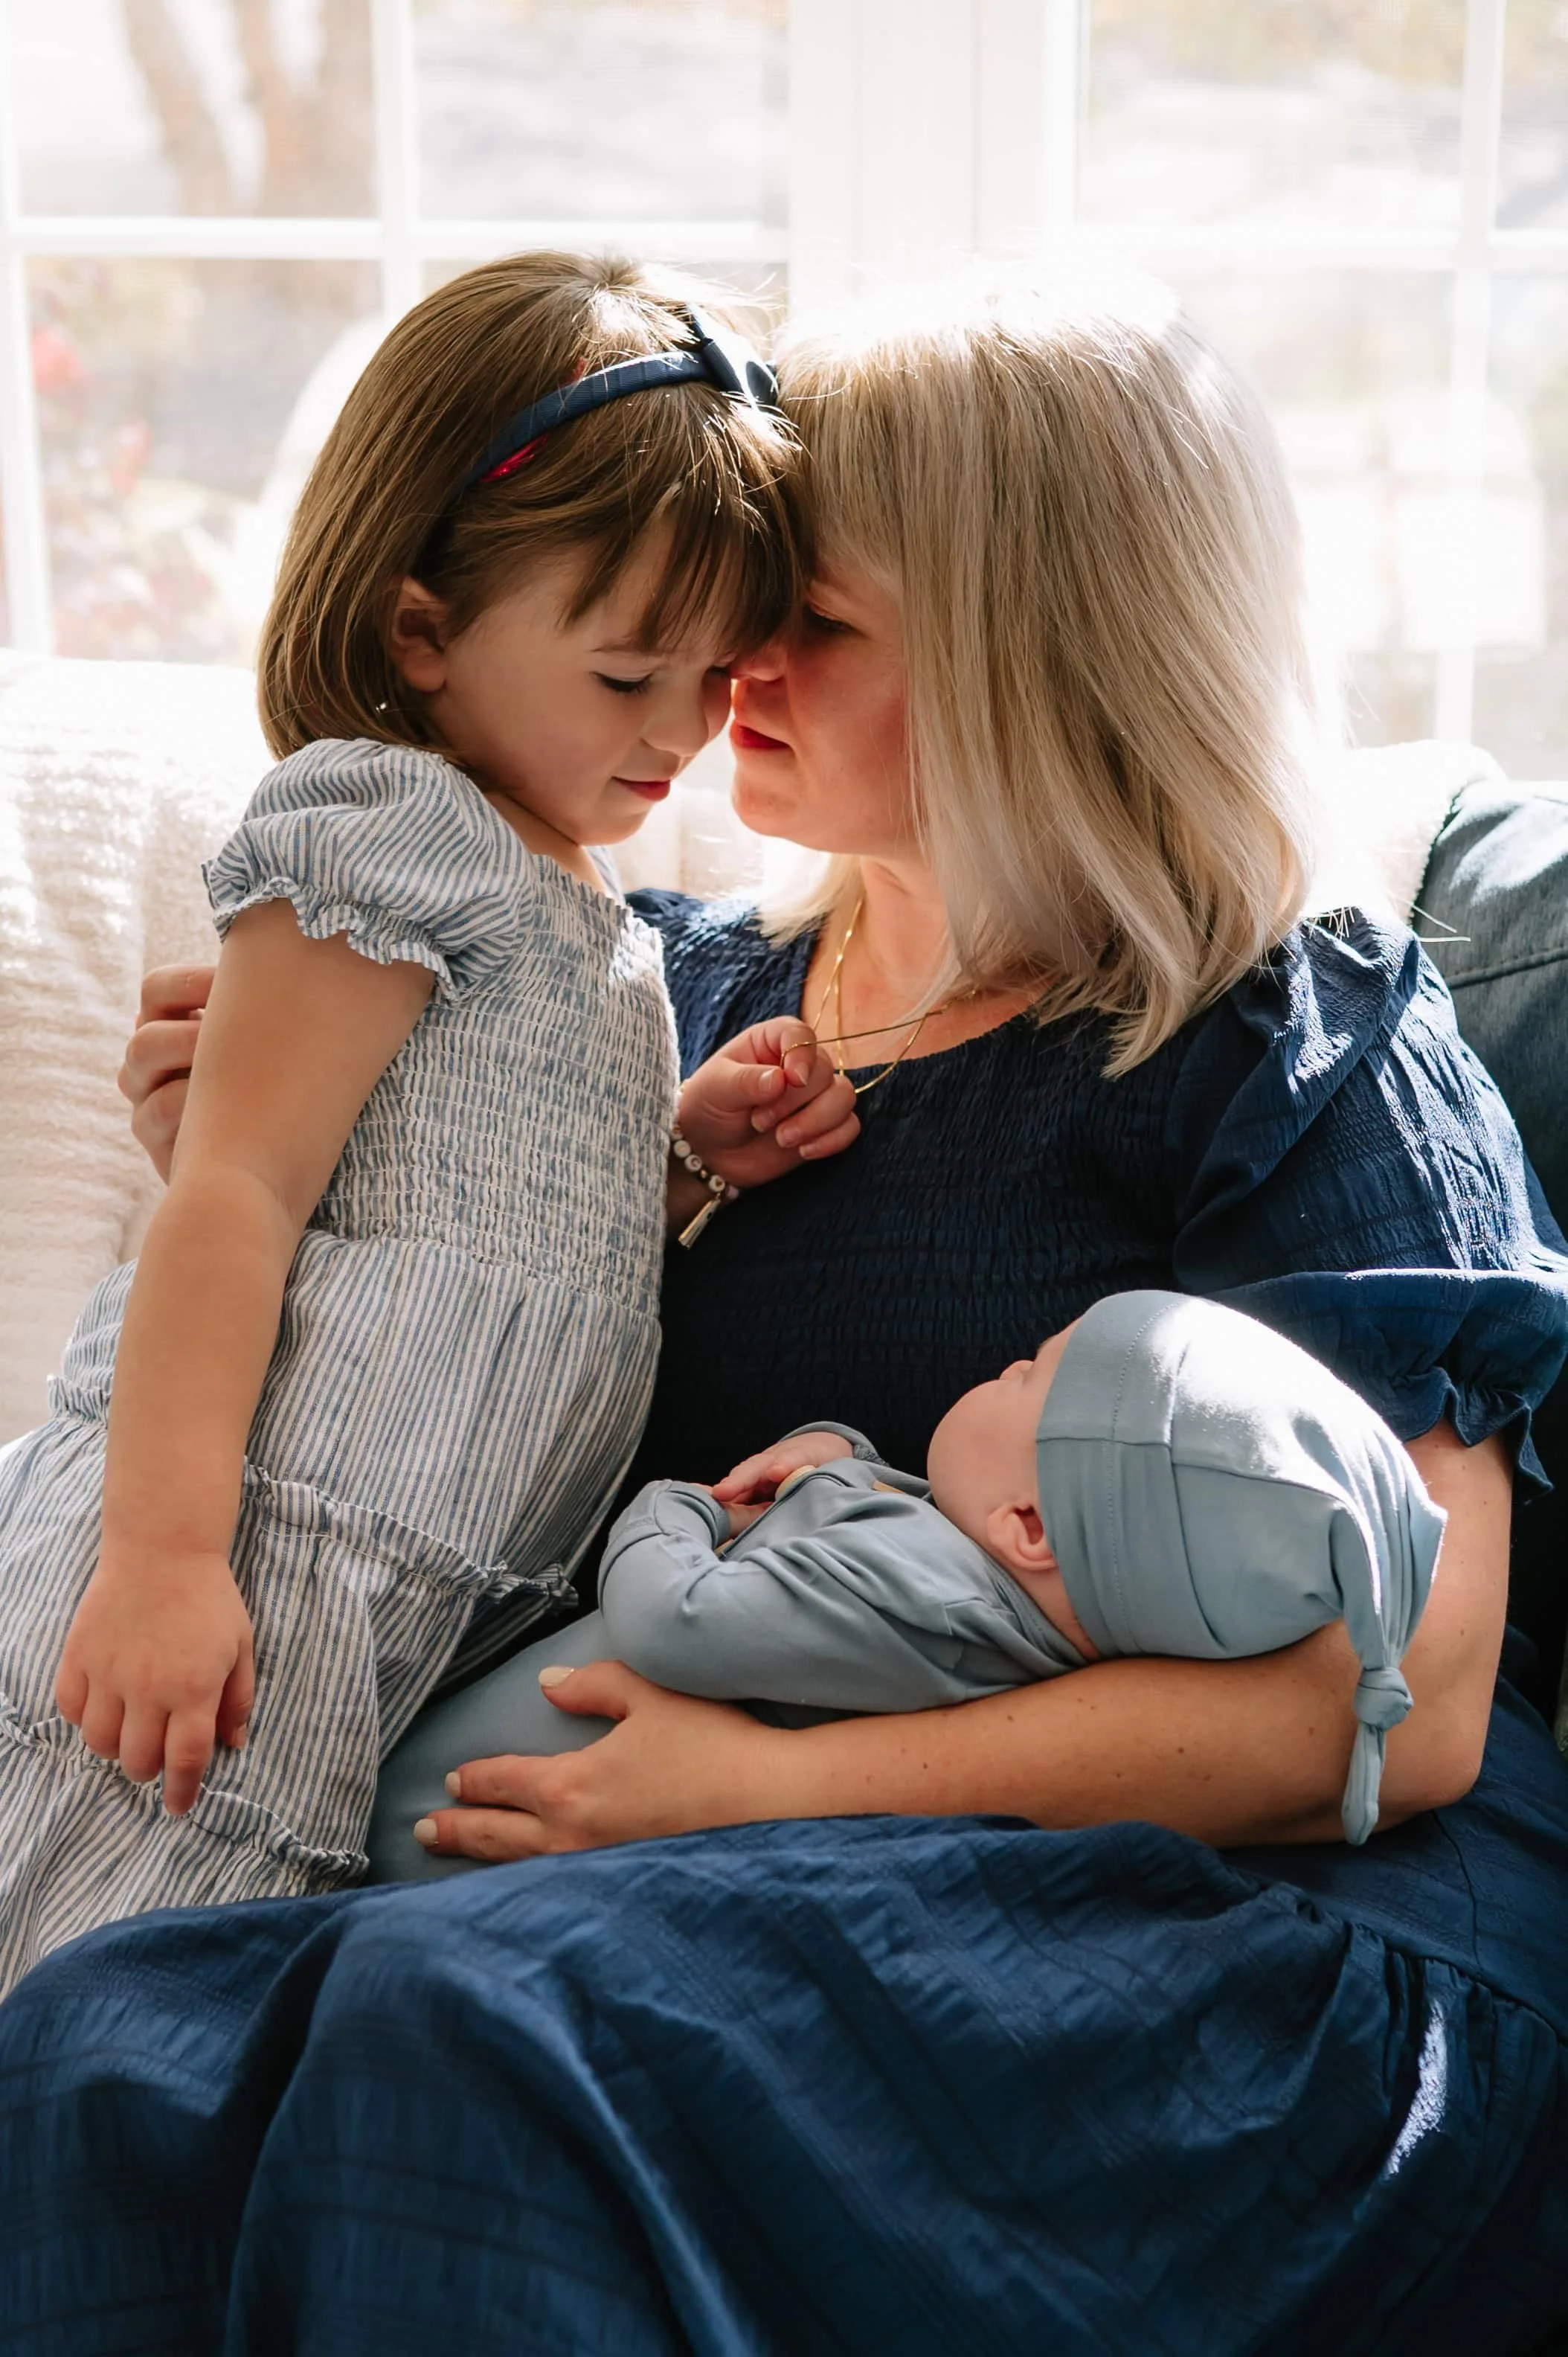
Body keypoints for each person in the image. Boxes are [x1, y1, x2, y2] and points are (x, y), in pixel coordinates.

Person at [10, 270, 1568, 2354]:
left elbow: (1402, 1705)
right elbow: (399, 1343)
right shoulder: (645, 995)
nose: (729, 666)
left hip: (1237, 1911)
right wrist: (253, 1141)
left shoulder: (1281, 1034)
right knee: (98, 2047)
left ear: (1031, 652)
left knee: (454, 2023)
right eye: (722, 606)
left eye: (807, 619)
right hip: (651, 1861)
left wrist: (753, 1793)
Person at [0, 250, 861, 1995]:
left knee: (179, 1988)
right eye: (626, 676)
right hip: (235, 1545)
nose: (684, 733)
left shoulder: (596, 913)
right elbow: (234, 1196)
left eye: (714, 675)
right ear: (421, 633)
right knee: (78, 1938)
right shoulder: (391, 830)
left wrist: (683, 1160)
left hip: (378, 1608)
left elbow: (481, 1211)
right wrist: (162, 1559)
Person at [377, 1293, 1445, 1869]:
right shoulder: (1015, 1614)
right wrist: (834, 1457)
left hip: (453, 1825)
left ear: (1029, 1526)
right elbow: (913, 1510)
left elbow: (676, 1620)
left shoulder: (919, 1594)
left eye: (1024, 1375)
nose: (1001, 1368)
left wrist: (675, 1507)